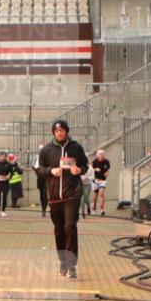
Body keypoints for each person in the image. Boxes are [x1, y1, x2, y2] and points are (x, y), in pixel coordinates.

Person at [36, 119, 88, 279]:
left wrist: (79, 170)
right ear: (53, 132)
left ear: (66, 131)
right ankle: (63, 261)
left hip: (72, 194)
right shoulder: (46, 150)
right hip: (54, 196)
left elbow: (85, 165)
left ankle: (72, 265)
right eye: (57, 130)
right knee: (59, 230)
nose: (60, 133)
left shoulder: (76, 147)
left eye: (62, 130)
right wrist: (51, 171)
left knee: (70, 226)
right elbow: (38, 169)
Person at [0, 152, 13, 216]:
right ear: (0, 157)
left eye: (5, 156)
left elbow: (12, 172)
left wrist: (9, 176)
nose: (3, 158)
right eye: (2, 156)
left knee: (4, 196)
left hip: (6, 182)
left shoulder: (9, 164)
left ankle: (3, 210)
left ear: (6, 157)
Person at [90, 149, 110, 216]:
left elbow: (107, 170)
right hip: (95, 180)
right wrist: (95, 169)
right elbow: (91, 169)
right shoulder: (94, 162)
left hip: (102, 180)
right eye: (100, 154)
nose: (101, 156)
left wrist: (107, 173)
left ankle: (102, 210)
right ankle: (93, 208)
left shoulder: (106, 162)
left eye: (102, 154)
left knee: (101, 194)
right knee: (95, 195)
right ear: (97, 155)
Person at [32, 144, 48, 216]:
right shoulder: (37, 157)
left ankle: (45, 207)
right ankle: (43, 209)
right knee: (42, 193)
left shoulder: (48, 157)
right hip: (40, 177)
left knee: (46, 193)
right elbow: (33, 166)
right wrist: (37, 172)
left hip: (47, 177)